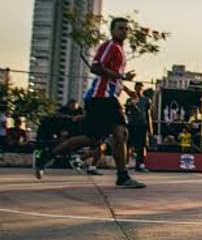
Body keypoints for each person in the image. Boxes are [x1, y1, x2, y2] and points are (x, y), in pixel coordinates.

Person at [33, 17, 145, 188]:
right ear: (112, 30)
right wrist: (121, 77)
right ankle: (122, 176)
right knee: (117, 133)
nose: (124, 31)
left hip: (106, 98)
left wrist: (125, 88)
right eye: (121, 28)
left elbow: (111, 77)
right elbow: (96, 67)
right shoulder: (110, 46)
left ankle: (46, 156)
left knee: (95, 138)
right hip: (101, 98)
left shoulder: (120, 50)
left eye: (126, 29)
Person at [124, 81, 152, 172]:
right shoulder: (129, 100)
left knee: (142, 145)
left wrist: (150, 127)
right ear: (135, 88)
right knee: (128, 145)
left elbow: (148, 114)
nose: (139, 90)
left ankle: (140, 164)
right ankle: (126, 164)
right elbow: (126, 112)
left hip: (142, 124)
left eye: (140, 88)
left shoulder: (146, 100)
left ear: (142, 89)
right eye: (137, 88)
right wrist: (130, 106)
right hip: (131, 124)